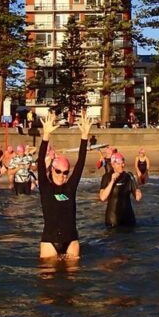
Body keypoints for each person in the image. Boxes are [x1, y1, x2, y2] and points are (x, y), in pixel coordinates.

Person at [37, 111, 92, 259]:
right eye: (59, 171)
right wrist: (46, 136)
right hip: (49, 241)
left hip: (71, 240)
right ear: (52, 170)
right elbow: (40, 162)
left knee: (73, 274)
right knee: (48, 274)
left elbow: (80, 163)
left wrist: (84, 136)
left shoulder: (70, 187)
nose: (62, 175)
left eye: (66, 172)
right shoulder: (45, 187)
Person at [99, 152, 142, 227]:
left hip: (129, 219)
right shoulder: (106, 177)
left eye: (122, 163)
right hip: (113, 220)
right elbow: (102, 197)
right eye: (118, 164)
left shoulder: (129, 176)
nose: (121, 165)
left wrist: (138, 192)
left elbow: (137, 197)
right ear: (113, 165)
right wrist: (112, 181)